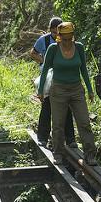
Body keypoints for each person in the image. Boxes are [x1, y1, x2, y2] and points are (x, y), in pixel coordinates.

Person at [38, 22, 96, 165]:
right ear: (59, 37)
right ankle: (58, 153)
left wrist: (89, 89)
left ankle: (90, 154)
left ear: (73, 36)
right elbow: (45, 69)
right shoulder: (53, 49)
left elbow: (83, 69)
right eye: (65, 38)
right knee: (58, 124)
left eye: (70, 38)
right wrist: (40, 91)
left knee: (84, 123)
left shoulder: (79, 47)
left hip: (76, 89)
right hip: (58, 90)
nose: (68, 41)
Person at [30, 17, 77, 148]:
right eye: (54, 32)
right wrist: (43, 61)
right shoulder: (44, 40)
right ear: (50, 30)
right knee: (47, 108)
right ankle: (43, 138)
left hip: (64, 78)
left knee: (67, 108)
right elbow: (33, 53)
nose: (57, 34)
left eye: (58, 32)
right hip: (49, 80)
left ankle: (71, 139)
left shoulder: (67, 40)